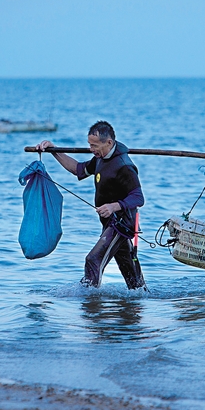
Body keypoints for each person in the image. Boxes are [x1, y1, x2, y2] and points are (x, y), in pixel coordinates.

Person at [36, 121, 145, 290]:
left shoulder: (124, 166)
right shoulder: (100, 158)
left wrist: (113, 206)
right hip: (110, 224)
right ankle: (139, 307)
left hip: (121, 225)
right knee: (135, 283)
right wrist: (54, 150)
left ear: (109, 142)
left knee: (93, 260)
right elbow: (78, 169)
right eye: (89, 145)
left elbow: (138, 198)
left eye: (95, 145)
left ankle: (89, 303)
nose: (91, 149)